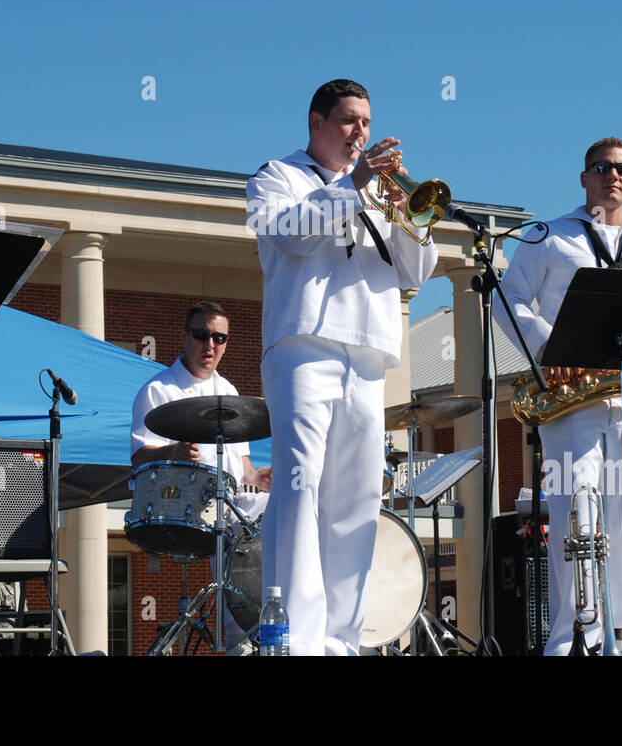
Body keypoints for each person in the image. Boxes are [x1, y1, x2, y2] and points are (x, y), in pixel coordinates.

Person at [246, 78, 438, 655]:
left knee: (357, 498)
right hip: (304, 344)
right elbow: (287, 235)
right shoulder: (276, 176)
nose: (361, 133)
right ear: (317, 122)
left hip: (369, 348)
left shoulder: (379, 190)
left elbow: (415, 273)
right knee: (300, 487)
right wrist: (354, 186)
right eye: (350, 120)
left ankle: (341, 640)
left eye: (367, 122)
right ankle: (295, 637)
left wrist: (409, 215)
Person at [495, 137, 622, 655]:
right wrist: (544, 344)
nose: (613, 176)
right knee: (574, 509)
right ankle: (576, 635)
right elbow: (507, 297)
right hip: (572, 399)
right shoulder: (549, 236)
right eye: (602, 167)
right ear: (584, 177)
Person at [130, 301, 272, 516]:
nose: (210, 344)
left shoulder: (229, 391)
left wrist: (255, 476)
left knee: (285, 508)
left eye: (219, 338)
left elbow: (240, 459)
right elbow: (139, 456)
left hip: (232, 502)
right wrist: (173, 452)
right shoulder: (157, 389)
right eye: (201, 335)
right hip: (183, 507)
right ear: (184, 338)